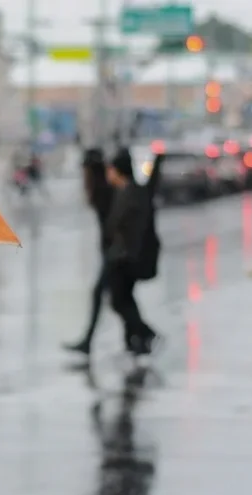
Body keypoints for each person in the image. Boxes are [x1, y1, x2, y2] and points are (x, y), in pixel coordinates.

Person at [103, 147, 161, 357]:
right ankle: (134, 341)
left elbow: (134, 231)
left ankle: (146, 334)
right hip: (124, 257)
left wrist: (124, 256)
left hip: (128, 259)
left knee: (120, 300)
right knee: (124, 299)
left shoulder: (133, 195)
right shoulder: (124, 193)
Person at [64, 147, 117, 356]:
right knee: (119, 299)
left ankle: (88, 341)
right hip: (111, 251)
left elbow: (112, 224)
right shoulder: (100, 190)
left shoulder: (103, 191)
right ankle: (141, 337)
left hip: (115, 253)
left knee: (105, 296)